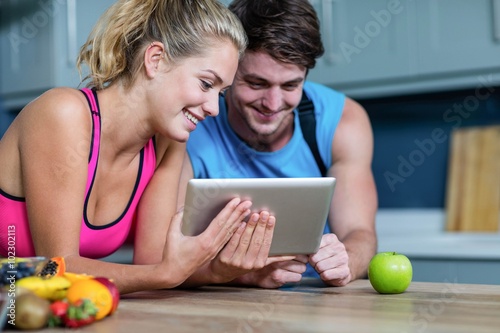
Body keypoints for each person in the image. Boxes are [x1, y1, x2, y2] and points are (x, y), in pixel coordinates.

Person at [0, 0, 279, 295]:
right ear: (155, 59)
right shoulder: (62, 113)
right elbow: (56, 267)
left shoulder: (169, 142)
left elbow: (153, 262)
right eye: (206, 84)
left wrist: (223, 272)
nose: (214, 109)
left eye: (221, 93)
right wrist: (164, 274)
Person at [181, 0, 378, 288]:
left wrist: (345, 260)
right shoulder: (190, 124)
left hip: (314, 295)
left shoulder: (343, 122)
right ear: (230, 69)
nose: (272, 104)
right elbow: (163, 257)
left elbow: (360, 233)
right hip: (219, 297)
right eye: (256, 83)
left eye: (290, 86)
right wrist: (245, 274)